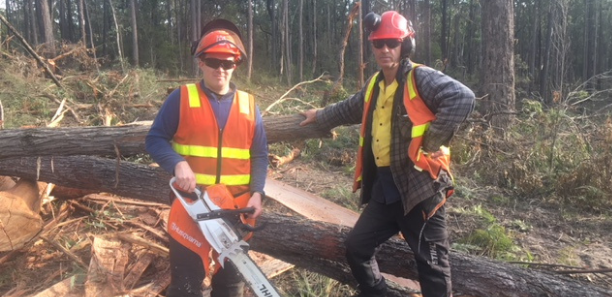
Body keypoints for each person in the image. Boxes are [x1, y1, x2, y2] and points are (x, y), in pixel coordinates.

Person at [300, 10, 474, 297]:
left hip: (420, 188)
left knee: (432, 266)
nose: (384, 49)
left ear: (405, 45)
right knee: (357, 247)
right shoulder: (375, 84)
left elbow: (462, 97)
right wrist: (319, 116)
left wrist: (430, 141)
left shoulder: (420, 77)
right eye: (378, 44)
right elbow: (349, 108)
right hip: (386, 189)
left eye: (392, 42)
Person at [146, 19, 268, 297]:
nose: (220, 69)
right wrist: (177, 162)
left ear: (236, 64)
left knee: (230, 287)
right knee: (186, 285)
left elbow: (260, 154)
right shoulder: (182, 98)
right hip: (191, 207)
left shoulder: (250, 105)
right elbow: (155, 139)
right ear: (201, 62)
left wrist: (258, 193)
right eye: (214, 61)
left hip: (236, 210)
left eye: (227, 63)